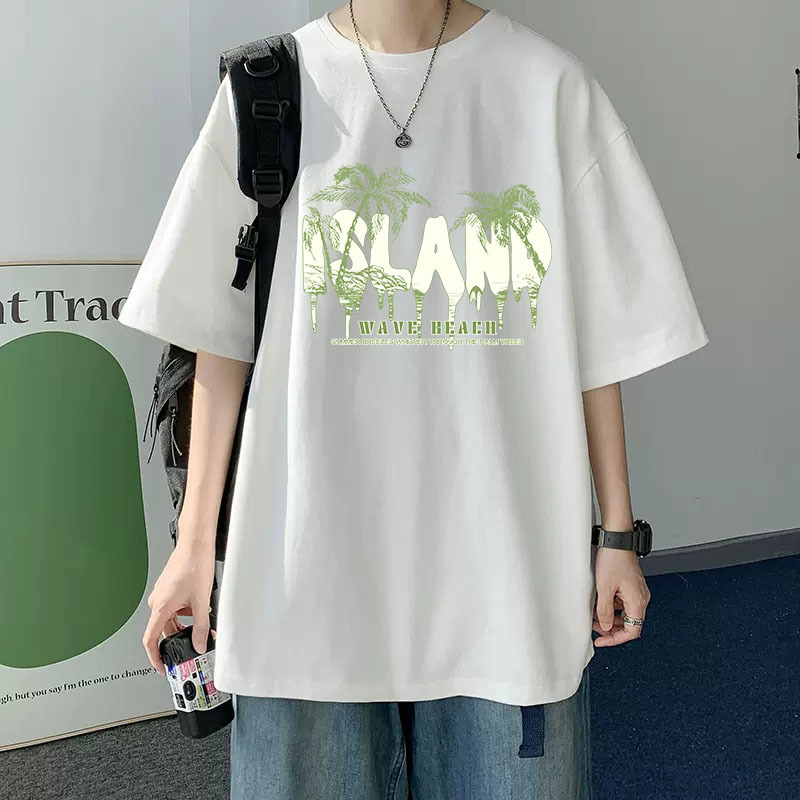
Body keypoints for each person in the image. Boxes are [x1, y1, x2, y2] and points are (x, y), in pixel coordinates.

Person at [118, 1, 709, 797]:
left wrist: (617, 535)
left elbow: (598, 340)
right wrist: (195, 547)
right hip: (307, 569)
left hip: (503, 573)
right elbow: (219, 340)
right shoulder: (266, 90)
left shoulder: (548, 88)